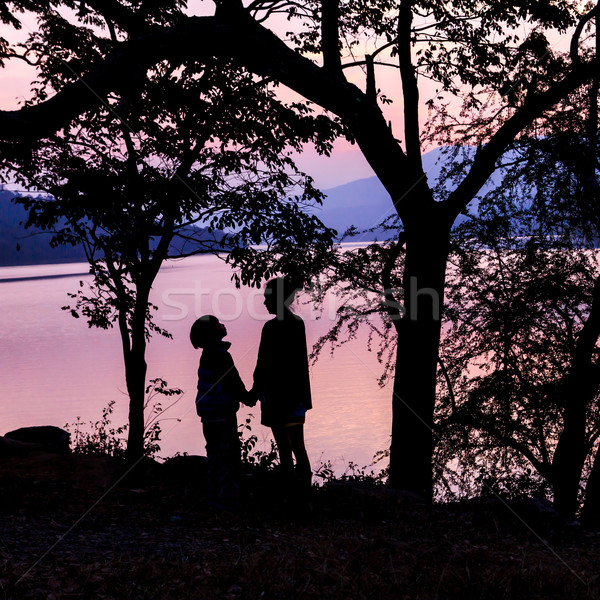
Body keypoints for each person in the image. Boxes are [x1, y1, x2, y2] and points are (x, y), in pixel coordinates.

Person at [251, 277, 313, 497]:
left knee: (285, 451)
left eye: (267, 299)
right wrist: (305, 399)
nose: (265, 303)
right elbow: (300, 364)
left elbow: (263, 364)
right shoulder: (298, 324)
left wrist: (254, 392)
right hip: (295, 398)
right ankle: (304, 497)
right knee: (298, 448)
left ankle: (290, 496)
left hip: (277, 399)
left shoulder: (270, 328)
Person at [190, 315, 254, 508]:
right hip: (221, 414)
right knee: (228, 454)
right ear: (212, 334)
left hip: (209, 415)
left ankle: (215, 496)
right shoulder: (219, 354)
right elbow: (233, 381)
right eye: (218, 324)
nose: (222, 325)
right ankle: (227, 500)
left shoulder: (208, 353)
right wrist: (249, 398)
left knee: (215, 455)